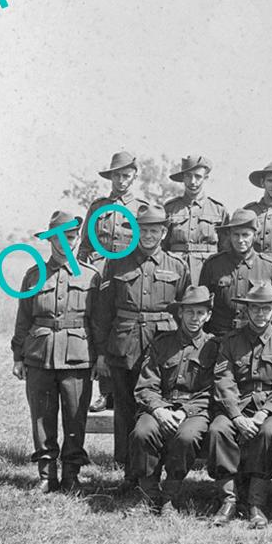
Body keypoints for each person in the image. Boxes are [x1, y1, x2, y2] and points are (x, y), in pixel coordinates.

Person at [91, 204, 190, 488]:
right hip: (124, 347)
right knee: (125, 409)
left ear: (164, 232)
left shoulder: (177, 266)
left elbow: (185, 310)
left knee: (161, 407)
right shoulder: (117, 263)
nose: (148, 235)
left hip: (164, 348)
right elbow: (103, 313)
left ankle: (162, 473)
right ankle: (130, 474)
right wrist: (100, 352)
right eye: (143, 230)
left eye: (154, 230)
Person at [11, 210, 98, 494]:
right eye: (60, 238)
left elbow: (98, 321)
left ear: (76, 240)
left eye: (71, 237)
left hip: (78, 356)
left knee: (75, 417)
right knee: (42, 417)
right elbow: (24, 317)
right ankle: (46, 475)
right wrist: (18, 356)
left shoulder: (91, 276)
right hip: (40, 355)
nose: (66, 243)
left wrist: (100, 359)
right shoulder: (34, 275)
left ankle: (71, 474)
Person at [207, 282, 272, 529]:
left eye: (265, 308)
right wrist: (236, 416)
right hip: (236, 406)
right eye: (255, 309)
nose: (260, 314)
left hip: (271, 408)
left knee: (268, 432)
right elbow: (223, 380)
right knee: (218, 429)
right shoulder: (231, 340)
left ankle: (256, 503)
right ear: (246, 311)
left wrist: (263, 413)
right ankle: (228, 500)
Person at [128, 286, 218, 515]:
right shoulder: (162, 343)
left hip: (195, 410)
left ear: (208, 315)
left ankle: (170, 496)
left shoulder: (214, 347)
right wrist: (159, 410)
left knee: (187, 437)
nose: (194, 318)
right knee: (142, 432)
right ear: (180, 313)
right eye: (189, 312)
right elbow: (146, 385)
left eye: (200, 313)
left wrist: (184, 412)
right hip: (161, 406)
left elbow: (212, 390)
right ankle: (149, 495)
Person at [78, 150, 148, 412]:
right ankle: (105, 392)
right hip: (100, 274)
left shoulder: (141, 208)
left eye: (126, 176)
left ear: (134, 177)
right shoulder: (98, 207)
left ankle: (132, 389)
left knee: (125, 325)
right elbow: (85, 244)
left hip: (127, 275)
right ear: (111, 177)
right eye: (117, 175)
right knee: (101, 325)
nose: (122, 180)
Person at [198, 209, 272, 336]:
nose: (240, 240)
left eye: (245, 235)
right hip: (220, 336)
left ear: (255, 235)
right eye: (236, 235)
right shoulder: (213, 265)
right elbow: (202, 305)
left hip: (255, 337)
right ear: (229, 235)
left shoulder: (269, 267)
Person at [162, 155, 227, 284]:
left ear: (205, 178)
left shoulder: (218, 210)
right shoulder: (170, 208)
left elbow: (225, 248)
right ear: (183, 178)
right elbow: (163, 245)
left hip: (207, 271)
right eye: (188, 176)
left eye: (198, 176)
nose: (193, 181)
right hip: (175, 270)